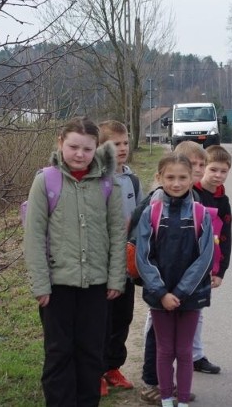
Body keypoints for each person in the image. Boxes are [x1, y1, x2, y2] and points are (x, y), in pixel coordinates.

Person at [23, 116, 126, 406]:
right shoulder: (46, 181)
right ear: (60, 143)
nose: (79, 154)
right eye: (73, 147)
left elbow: (117, 234)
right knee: (58, 354)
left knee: (91, 354)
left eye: (87, 149)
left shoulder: (108, 184)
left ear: (97, 149)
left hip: (96, 285)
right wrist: (40, 284)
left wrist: (116, 278)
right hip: (57, 287)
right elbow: (33, 236)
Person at [136, 152, 214, 407]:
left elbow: (204, 258)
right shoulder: (151, 213)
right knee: (164, 350)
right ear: (159, 178)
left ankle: (182, 400)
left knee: (184, 351)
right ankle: (166, 398)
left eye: (183, 177)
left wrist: (179, 292)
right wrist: (161, 293)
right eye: (170, 177)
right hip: (160, 298)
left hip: (190, 297)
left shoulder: (201, 214)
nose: (176, 183)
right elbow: (143, 257)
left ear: (192, 178)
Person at [98, 120, 143, 395]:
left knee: (122, 318)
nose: (123, 148)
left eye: (125, 142)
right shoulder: (96, 180)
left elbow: (139, 217)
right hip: (102, 266)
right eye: (115, 144)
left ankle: (113, 367)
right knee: (101, 321)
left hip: (125, 266)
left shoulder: (132, 178)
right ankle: (96, 372)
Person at [191, 145, 232, 374]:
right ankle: (159, 359)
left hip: (207, 267)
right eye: (213, 169)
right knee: (162, 313)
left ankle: (196, 356)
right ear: (203, 168)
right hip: (184, 263)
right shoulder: (191, 192)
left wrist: (220, 271)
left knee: (197, 312)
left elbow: (225, 236)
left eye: (223, 171)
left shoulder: (222, 200)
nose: (218, 175)